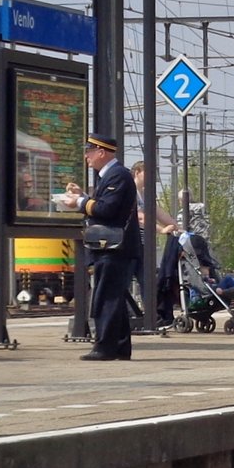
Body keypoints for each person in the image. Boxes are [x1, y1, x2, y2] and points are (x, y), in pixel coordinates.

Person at [63, 132, 141, 361]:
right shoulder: (111, 176)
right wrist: (85, 197)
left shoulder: (117, 175)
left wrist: (79, 202)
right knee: (113, 295)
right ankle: (120, 346)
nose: (86, 156)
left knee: (106, 296)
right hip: (112, 246)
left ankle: (104, 348)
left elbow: (107, 210)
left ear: (101, 152)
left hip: (114, 247)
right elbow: (107, 205)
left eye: (89, 152)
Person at [131, 161, 176, 320]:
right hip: (130, 242)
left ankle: (152, 314)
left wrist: (176, 227)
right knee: (137, 278)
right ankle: (147, 314)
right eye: (147, 173)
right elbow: (140, 217)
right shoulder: (130, 191)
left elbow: (157, 212)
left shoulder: (144, 194)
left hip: (142, 243)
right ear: (137, 172)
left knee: (147, 278)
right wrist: (161, 230)